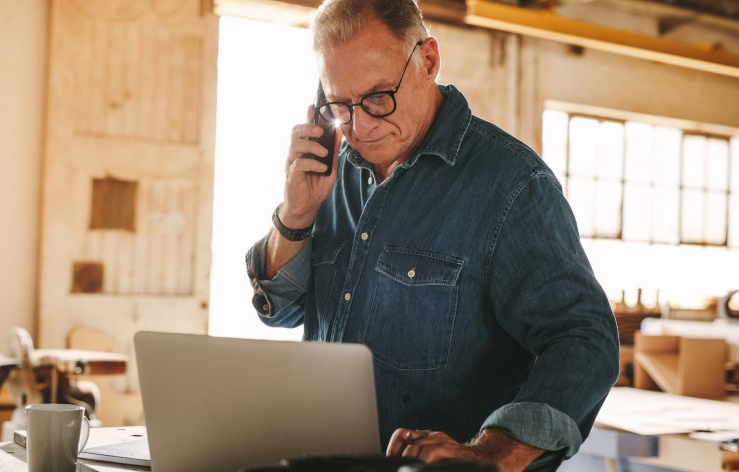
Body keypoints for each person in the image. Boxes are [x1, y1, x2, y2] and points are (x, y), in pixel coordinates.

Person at [245, 0, 620, 469]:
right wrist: (295, 214)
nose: (361, 126)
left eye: (379, 97)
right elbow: (280, 311)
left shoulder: (513, 186)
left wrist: (490, 454)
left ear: (428, 60)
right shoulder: (330, 173)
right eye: (339, 105)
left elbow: (585, 342)